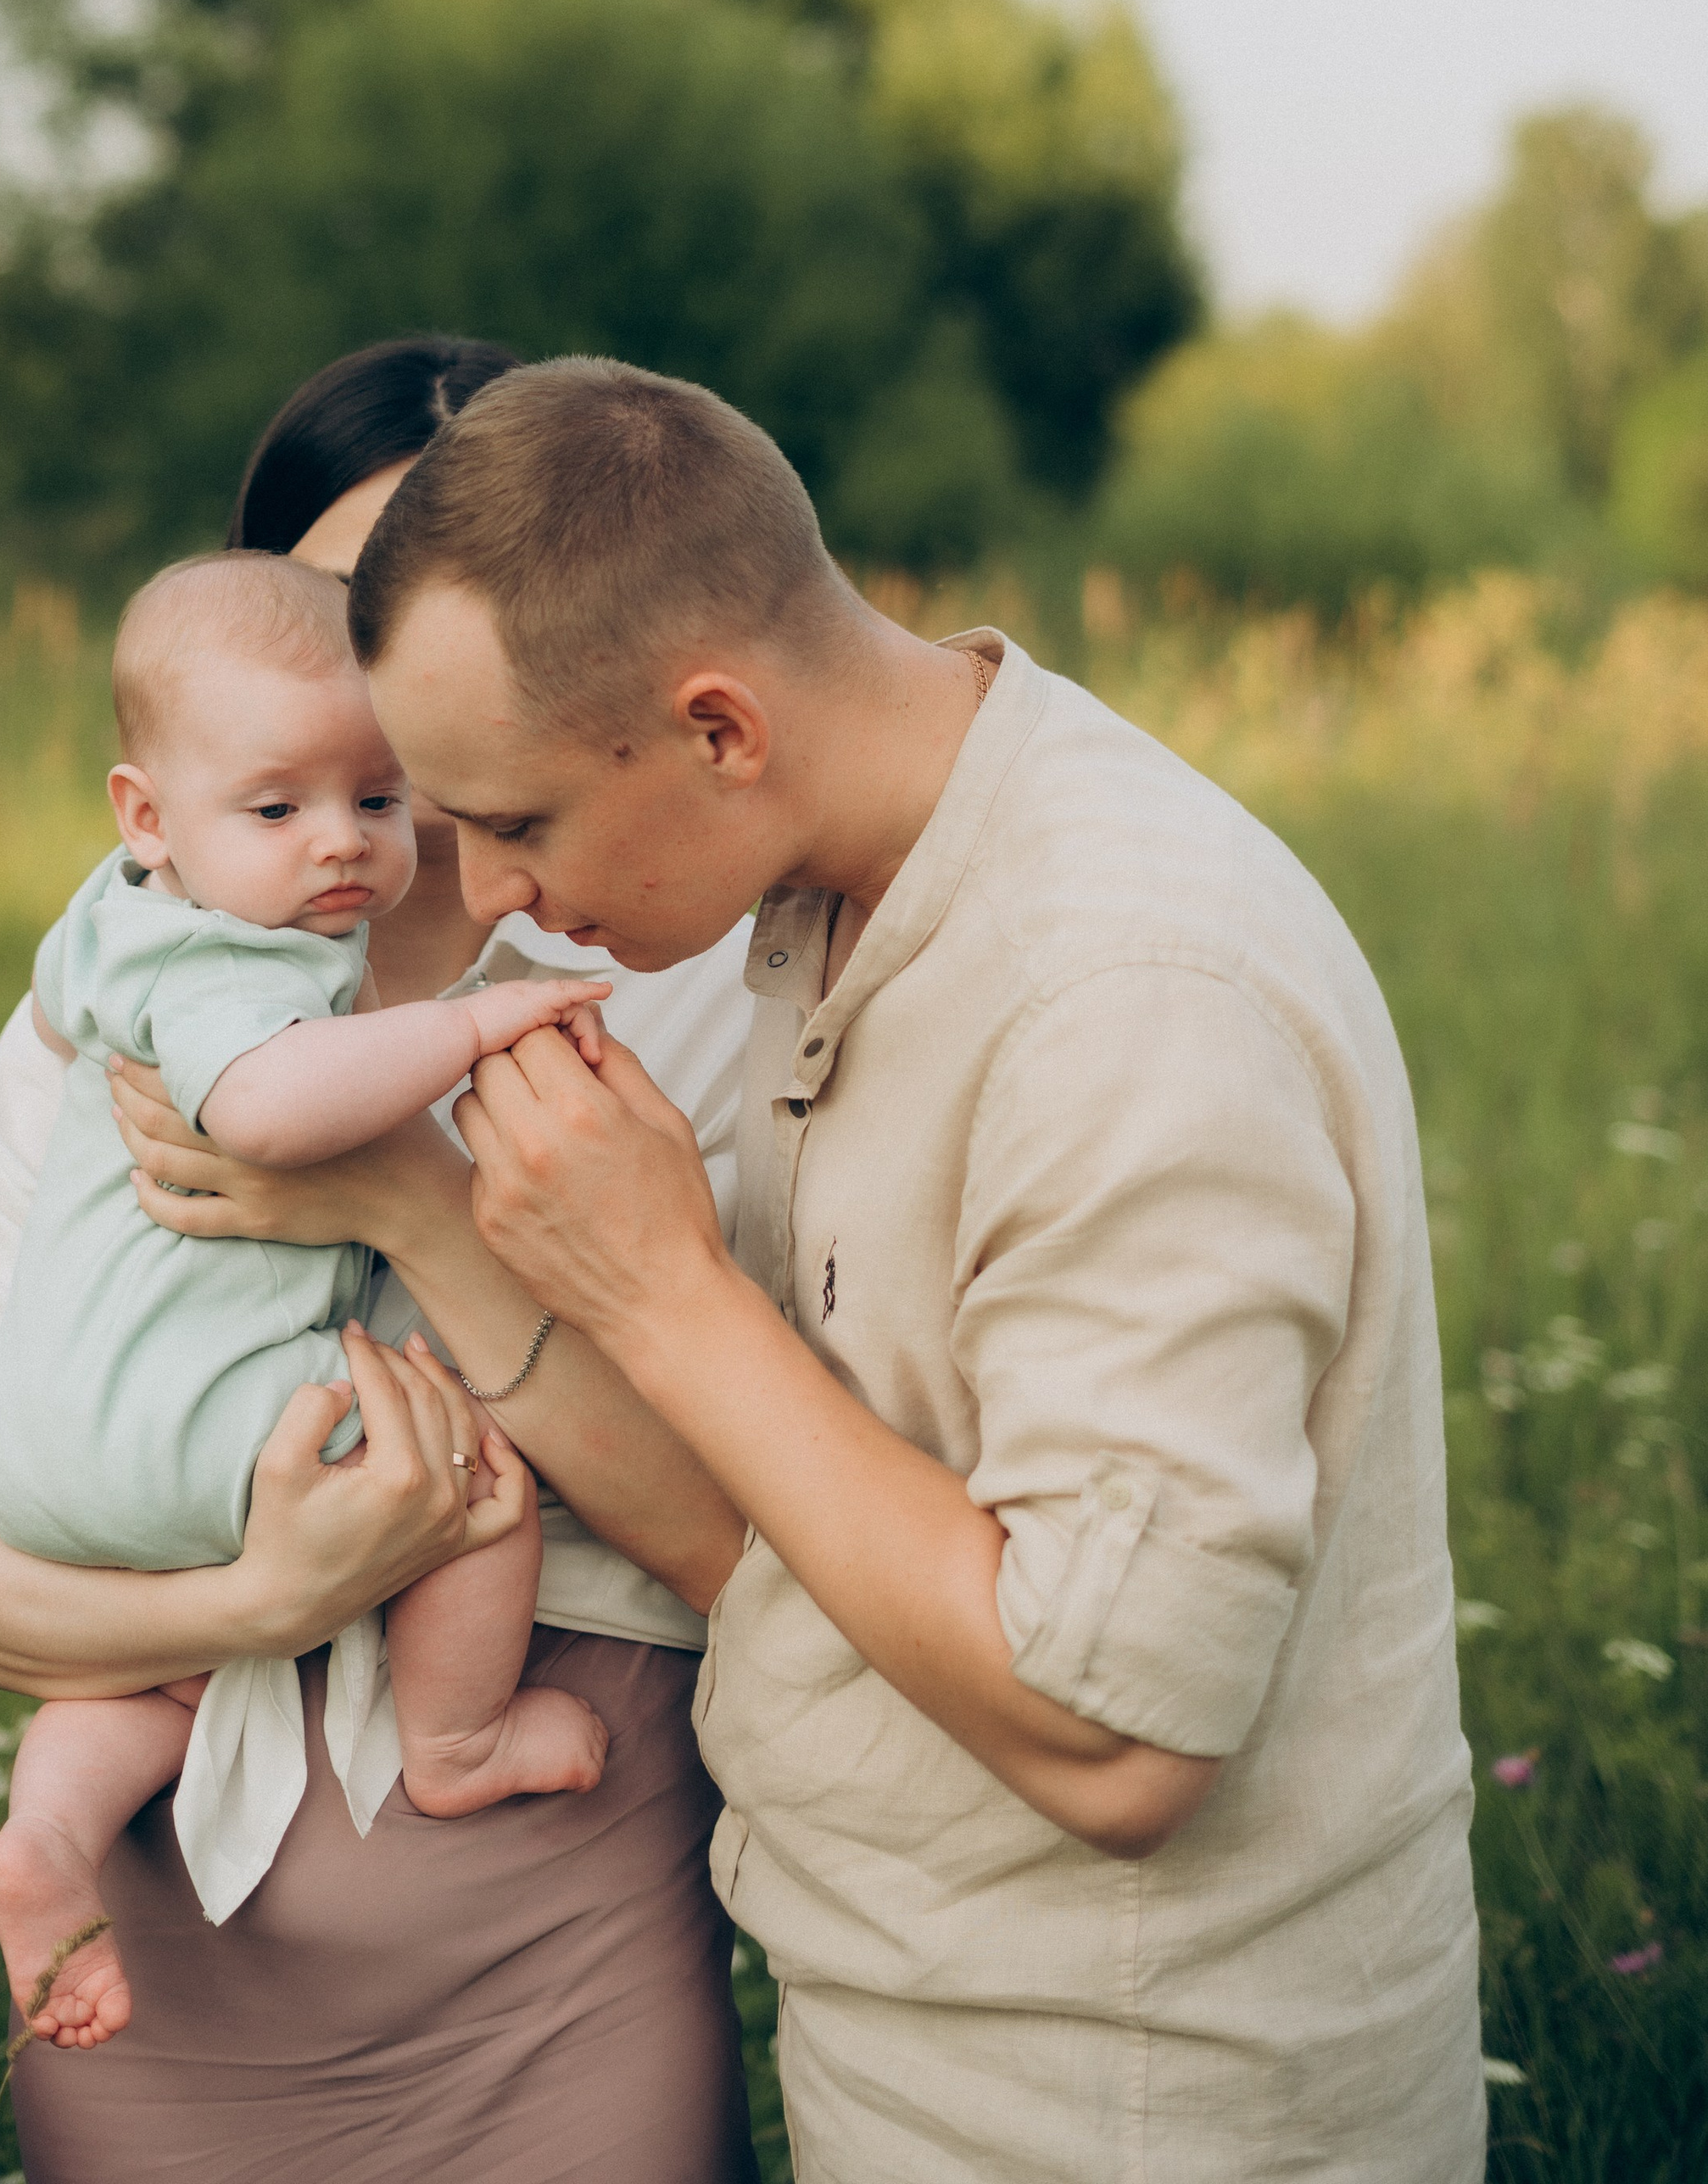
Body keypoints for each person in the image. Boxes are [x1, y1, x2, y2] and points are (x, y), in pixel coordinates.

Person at [328, 356, 1484, 2184]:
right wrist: (471, 1230)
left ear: (720, 728)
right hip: (910, 2046)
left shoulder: (1122, 999)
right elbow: (787, 1530)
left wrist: (663, 1292)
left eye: (519, 822)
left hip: (1139, 2108)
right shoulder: (841, 872)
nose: (477, 894)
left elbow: (1117, 1735)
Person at [0, 337, 760, 2184]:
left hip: (559, 1962)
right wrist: (249, 1608)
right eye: (351, 615)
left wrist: (415, 1207)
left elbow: (761, 1551)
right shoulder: (118, 1014)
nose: (397, 685)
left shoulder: (681, 988)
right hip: (166, 1972)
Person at [0, 551, 613, 2053]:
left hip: (54, 1439)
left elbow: (78, 1003)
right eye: (278, 810)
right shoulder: (228, 964)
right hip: (196, 1420)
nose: (340, 842)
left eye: (378, 798)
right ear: (148, 815)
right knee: (467, 1476)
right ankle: (459, 1742)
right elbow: (268, 1108)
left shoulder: (122, 915)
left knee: (166, 1680)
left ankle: (48, 1834)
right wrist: (472, 1026)